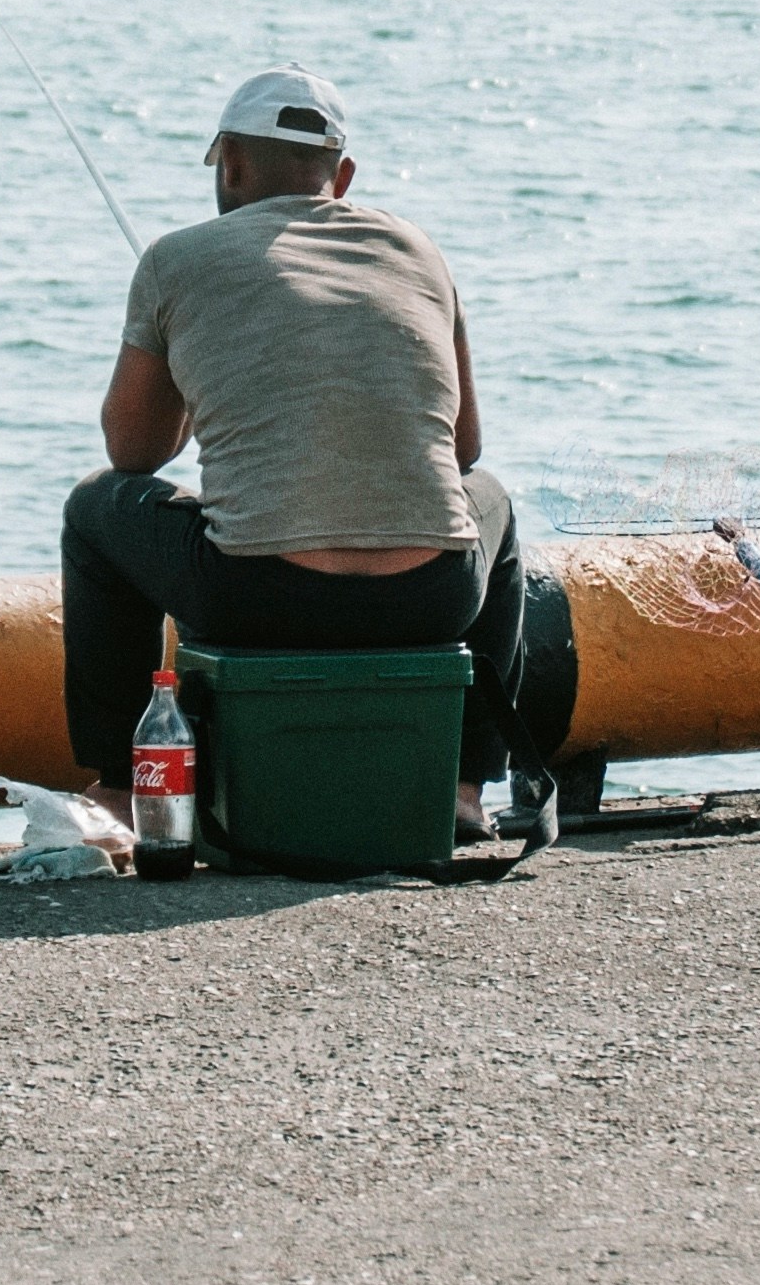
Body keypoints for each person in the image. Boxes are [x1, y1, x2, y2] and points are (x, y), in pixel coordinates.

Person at [61, 66, 540, 846]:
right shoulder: (417, 248)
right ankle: (461, 786)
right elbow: (464, 448)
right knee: (494, 499)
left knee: (93, 507)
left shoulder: (174, 259)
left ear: (231, 163)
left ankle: (122, 787)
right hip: (430, 593)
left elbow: (133, 452)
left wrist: (188, 387)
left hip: (259, 592)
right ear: (341, 176)